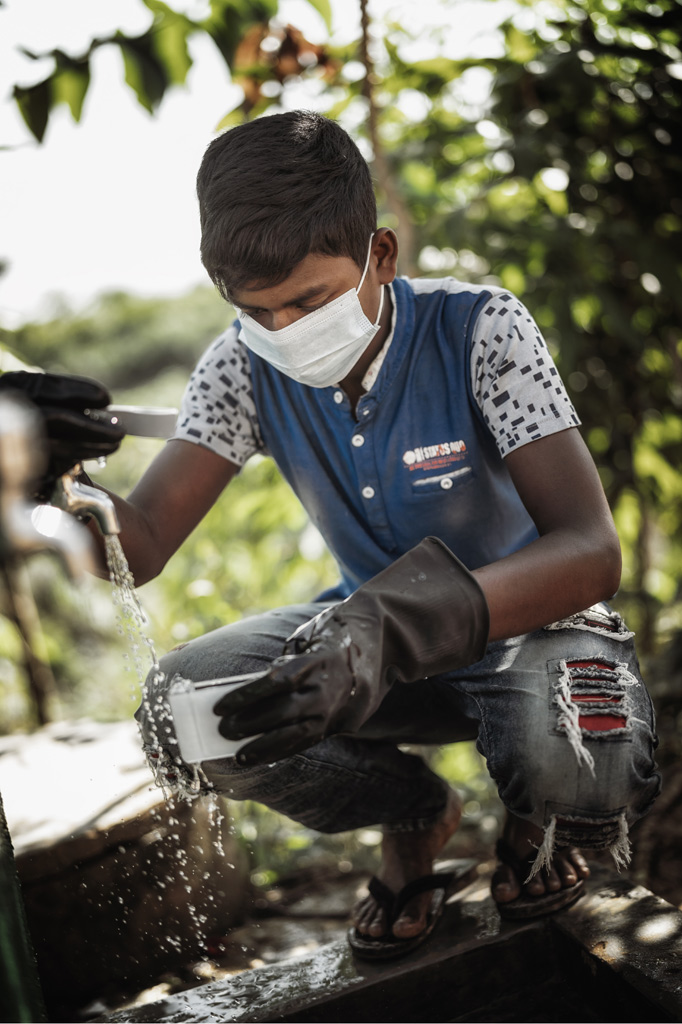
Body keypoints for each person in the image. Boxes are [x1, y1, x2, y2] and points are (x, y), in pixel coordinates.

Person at [4, 110, 661, 959]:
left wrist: (388, 626)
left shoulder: (481, 328)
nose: (284, 332)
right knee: (184, 712)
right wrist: (55, 480)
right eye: (256, 309)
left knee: (579, 749)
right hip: (362, 657)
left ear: (379, 256)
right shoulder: (240, 368)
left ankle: (542, 827)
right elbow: (146, 541)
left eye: (308, 301)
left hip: (532, 634)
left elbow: (590, 551)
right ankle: (414, 815)